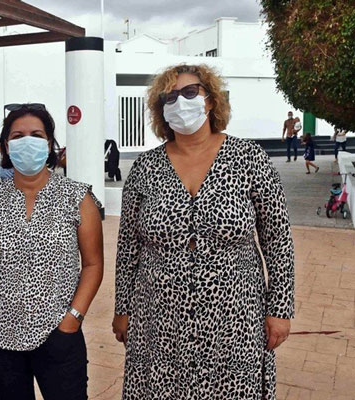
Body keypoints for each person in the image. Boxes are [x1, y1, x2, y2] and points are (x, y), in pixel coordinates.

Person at [113, 64, 295, 399]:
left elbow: (278, 240)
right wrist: (122, 309)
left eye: (189, 92)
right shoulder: (145, 167)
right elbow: (128, 247)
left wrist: (280, 310)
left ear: (210, 100)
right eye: (170, 97)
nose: (180, 102)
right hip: (159, 319)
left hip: (235, 318)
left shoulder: (249, 158)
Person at [0, 104, 104, 400]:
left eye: (36, 135)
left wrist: (73, 318)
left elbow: (93, 264)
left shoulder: (77, 196)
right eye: (18, 136)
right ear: (6, 146)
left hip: (58, 332)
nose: (27, 141)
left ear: (49, 144)